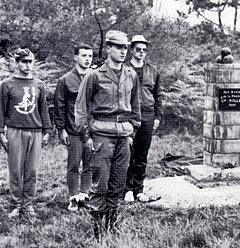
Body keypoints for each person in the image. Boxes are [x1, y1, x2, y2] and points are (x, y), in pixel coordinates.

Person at [75, 30, 141, 237]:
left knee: (118, 184)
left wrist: (132, 132)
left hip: (123, 137)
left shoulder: (131, 75)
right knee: (100, 185)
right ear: (108, 49)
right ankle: (97, 231)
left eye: (125, 48)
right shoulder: (94, 75)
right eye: (119, 47)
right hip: (101, 136)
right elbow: (81, 108)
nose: (123, 52)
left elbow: (136, 107)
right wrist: (86, 138)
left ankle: (111, 226)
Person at [0, 48, 52, 218]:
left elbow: (43, 109)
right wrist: (1, 132)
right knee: (15, 170)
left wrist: (47, 130)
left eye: (30, 61)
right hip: (15, 131)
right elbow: (1, 110)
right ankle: (15, 204)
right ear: (17, 63)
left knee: (32, 171)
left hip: (35, 131)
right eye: (24, 61)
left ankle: (28, 204)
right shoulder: (7, 84)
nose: (28, 65)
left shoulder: (39, 85)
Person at [54, 43, 93, 211]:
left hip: (92, 130)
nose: (87, 59)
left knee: (90, 164)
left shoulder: (95, 77)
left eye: (90, 56)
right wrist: (61, 129)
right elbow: (59, 106)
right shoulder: (65, 80)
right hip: (73, 130)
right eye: (84, 56)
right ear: (76, 57)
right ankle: (73, 197)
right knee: (74, 165)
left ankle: (85, 194)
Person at [124, 35, 162, 202]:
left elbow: (158, 95)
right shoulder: (123, 69)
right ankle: (126, 189)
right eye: (138, 49)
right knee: (127, 153)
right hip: (128, 115)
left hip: (147, 115)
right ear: (132, 50)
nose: (141, 52)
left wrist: (158, 117)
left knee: (141, 154)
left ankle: (138, 189)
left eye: (144, 50)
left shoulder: (153, 71)